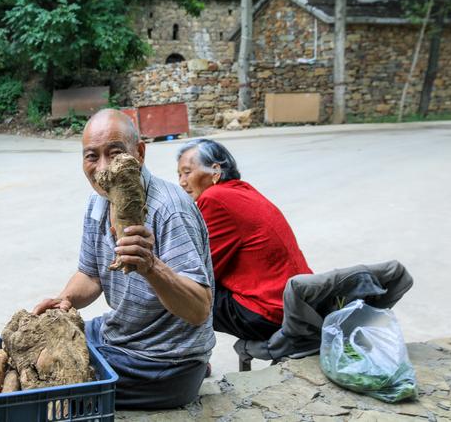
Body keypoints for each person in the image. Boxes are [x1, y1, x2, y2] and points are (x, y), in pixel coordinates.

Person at [33, 109, 216, 409]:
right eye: (92, 156)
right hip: (122, 334)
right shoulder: (98, 200)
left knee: (55, 383)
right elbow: (91, 275)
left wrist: (151, 267)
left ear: (139, 153)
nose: (103, 168)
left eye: (115, 153)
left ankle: (192, 375)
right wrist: (64, 299)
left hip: (163, 361)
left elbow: (199, 311)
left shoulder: (170, 210)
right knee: (41, 339)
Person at [177, 138, 312, 344]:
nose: (182, 182)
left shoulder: (214, 199)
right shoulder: (243, 190)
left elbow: (203, 270)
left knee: (179, 293)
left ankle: (186, 362)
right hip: (297, 304)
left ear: (215, 171)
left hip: (267, 313)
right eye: (179, 175)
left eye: (187, 172)